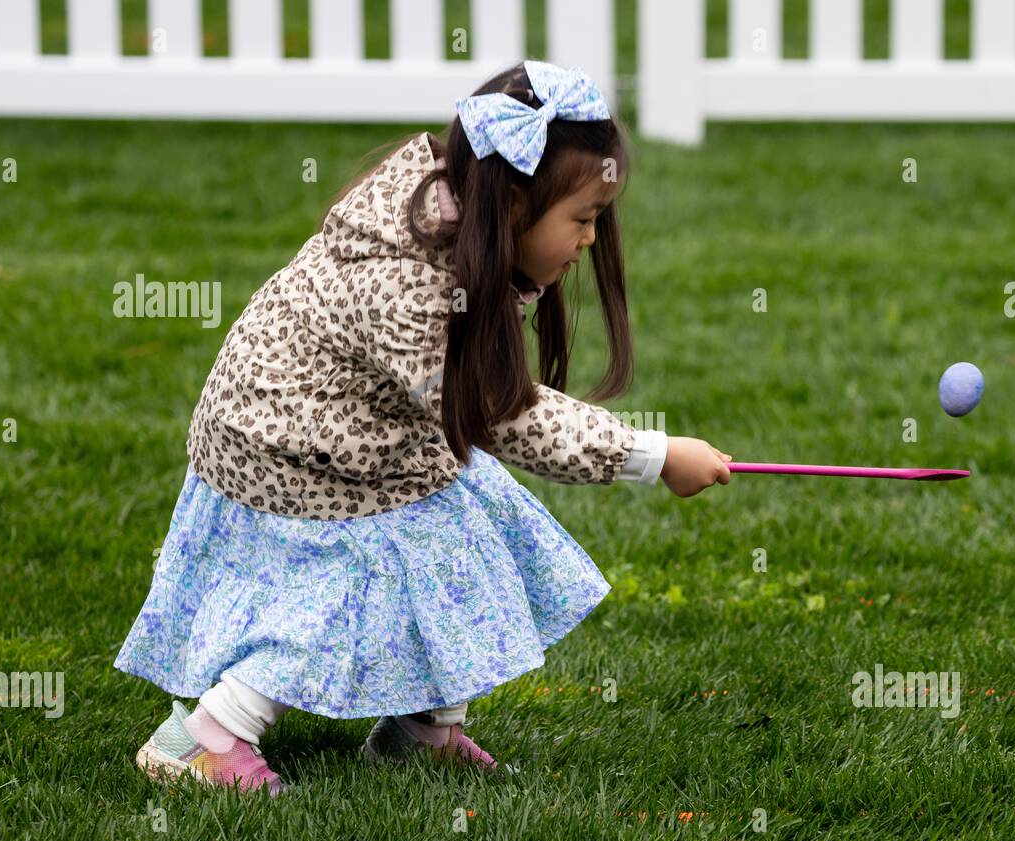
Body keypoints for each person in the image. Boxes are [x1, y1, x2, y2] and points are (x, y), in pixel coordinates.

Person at [114, 60, 732, 797]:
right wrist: (653, 454)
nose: (593, 238)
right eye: (584, 217)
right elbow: (504, 414)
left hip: (368, 436)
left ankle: (422, 728)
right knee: (338, 590)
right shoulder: (409, 284)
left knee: (460, 539)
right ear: (511, 202)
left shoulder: (462, 218)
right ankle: (203, 739)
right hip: (289, 447)